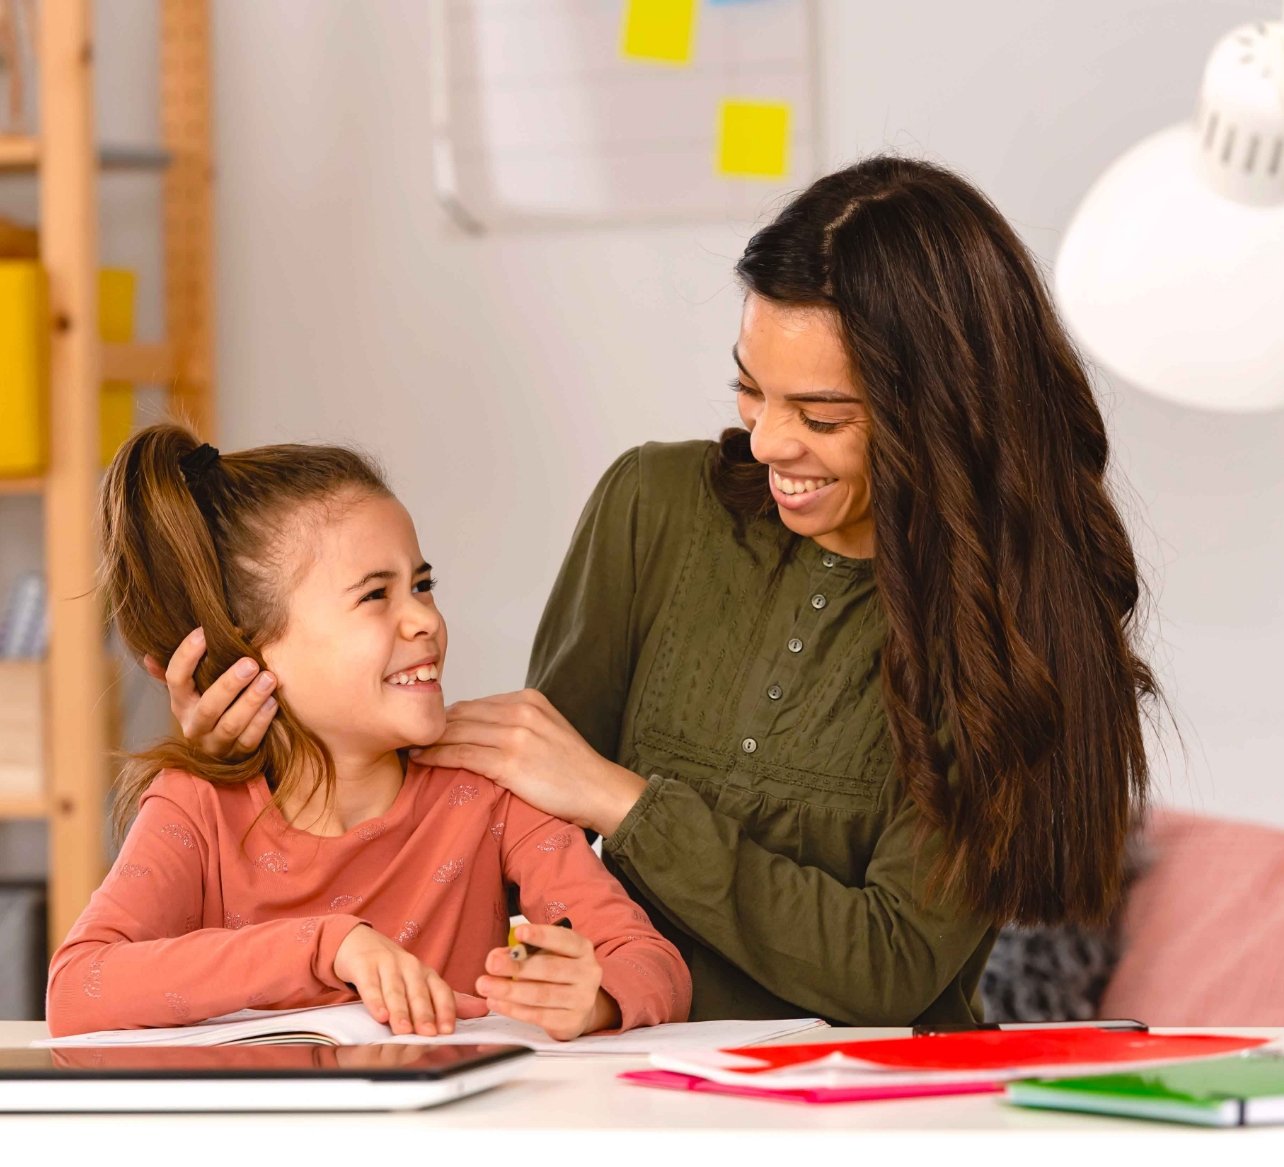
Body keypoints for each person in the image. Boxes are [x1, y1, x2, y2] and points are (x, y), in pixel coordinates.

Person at [154, 154, 1157, 1030]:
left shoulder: (1012, 631)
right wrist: (268, 749)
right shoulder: (655, 506)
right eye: (750, 390)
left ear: (941, 414)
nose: (768, 441)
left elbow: (888, 965)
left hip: (866, 1147)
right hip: (623, 1121)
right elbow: (495, 824)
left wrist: (621, 799)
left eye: (820, 413)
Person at [47, 423, 691, 1045]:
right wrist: (327, 946)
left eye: (422, 585)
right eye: (375, 596)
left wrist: (596, 995)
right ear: (251, 651)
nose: (425, 620)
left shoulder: (488, 790)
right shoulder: (197, 804)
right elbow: (77, 989)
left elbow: (648, 960)